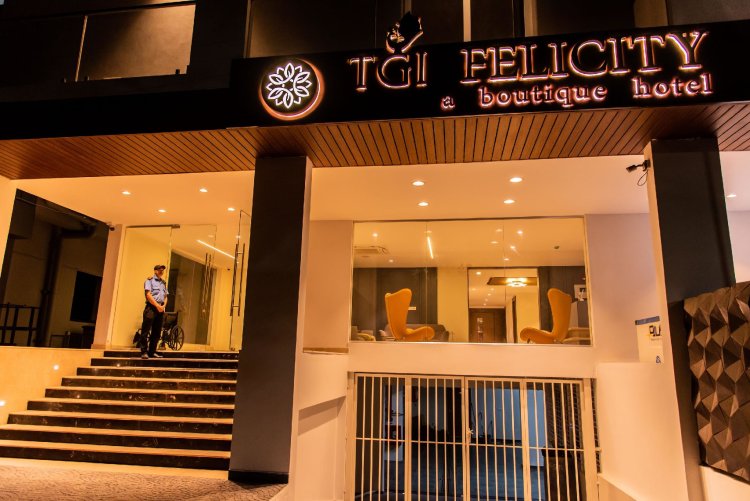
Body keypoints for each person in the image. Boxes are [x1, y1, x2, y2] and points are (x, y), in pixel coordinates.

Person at [140, 264, 169, 359]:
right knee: (145, 331)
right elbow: (148, 295)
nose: (161, 271)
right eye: (160, 270)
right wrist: (157, 306)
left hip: (160, 309)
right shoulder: (149, 281)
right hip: (151, 308)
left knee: (157, 332)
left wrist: (163, 306)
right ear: (155, 271)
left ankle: (152, 352)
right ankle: (144, 352)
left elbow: (165, 296)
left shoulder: (163, 283)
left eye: (162, 270)